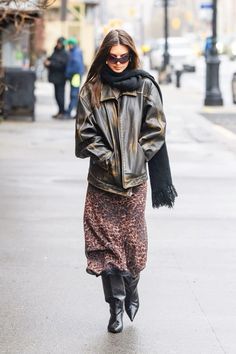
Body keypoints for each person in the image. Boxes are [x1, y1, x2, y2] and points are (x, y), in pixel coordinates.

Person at [75, 29, 177, 333]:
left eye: (123, 57)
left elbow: (156, 128)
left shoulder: (146, 86)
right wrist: (106, 157)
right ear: (104, 56)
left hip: (134, 182)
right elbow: (84, 133)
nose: (118, 62)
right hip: (101, 183)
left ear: (131, 55)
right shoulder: (90, 90)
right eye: (112, 56)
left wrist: (137, 156)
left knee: (132, 245)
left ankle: (132, 286)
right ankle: (116, 307)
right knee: (106, 247)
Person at [44, 37, 68, 118]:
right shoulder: (55, 52)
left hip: (61, 78)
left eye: (60, 43)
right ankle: (60, 111)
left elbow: (62, 65)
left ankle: (62, 112)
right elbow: (51, 60)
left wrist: (51, 64)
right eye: (58, 43)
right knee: (56, 96)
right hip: (54, 77)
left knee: (60, 95)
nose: (58, 45)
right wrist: (46, 63)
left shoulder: (64, 53)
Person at [64, 37, 84, 118]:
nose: (68, 46)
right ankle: (77, 113)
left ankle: (70, 112)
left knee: (74, 94)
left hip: (75, 76)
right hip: (75, 75)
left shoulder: (75, 53)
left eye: (69, 44)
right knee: (75, 94)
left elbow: (76, 65)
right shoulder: (74, 51)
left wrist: (69, 73)